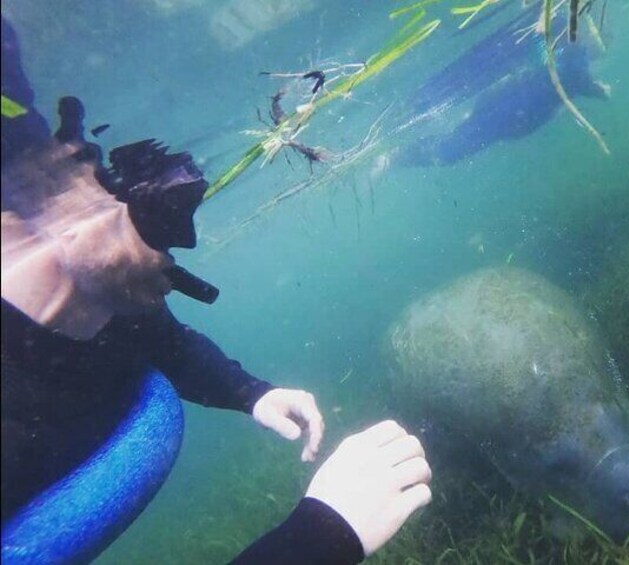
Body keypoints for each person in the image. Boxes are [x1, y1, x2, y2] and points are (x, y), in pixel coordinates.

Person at [1, 15, 431, 564]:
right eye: (81, 166)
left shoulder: (117, 311)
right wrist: (322, 536)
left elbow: (170, 346)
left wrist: (251, 393)